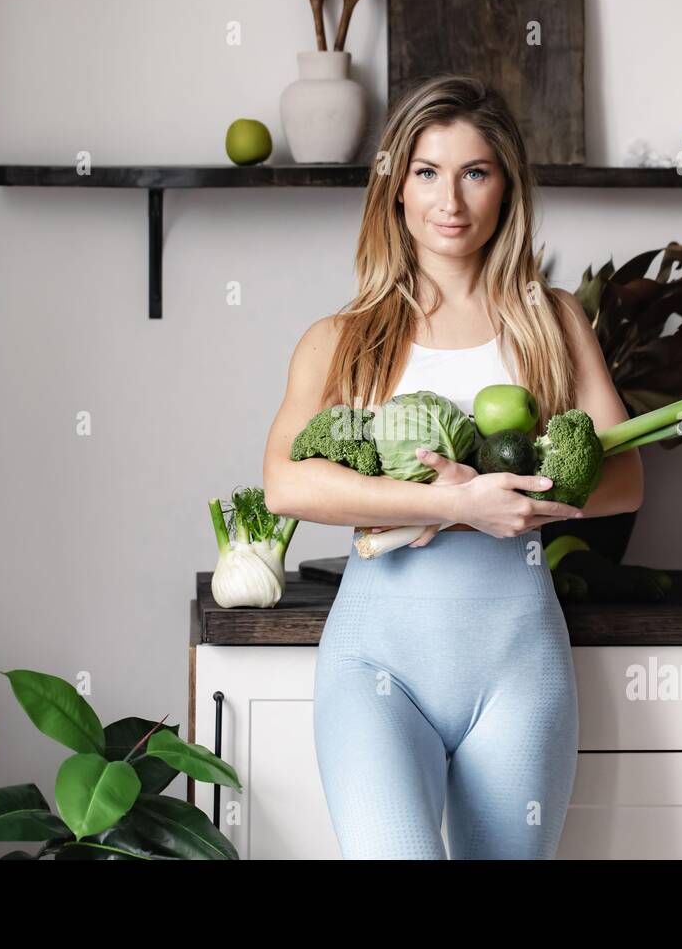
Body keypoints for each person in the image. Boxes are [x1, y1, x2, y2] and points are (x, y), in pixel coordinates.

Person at [262, 74, 643, 859]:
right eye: (427, 172)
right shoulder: (344, 337)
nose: (451, 200)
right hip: (376, 667)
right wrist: (453, 506)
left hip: (518, 669)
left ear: (507, 187)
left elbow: (624, 479)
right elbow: (286, 482)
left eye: (476, 172)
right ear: (395, 186)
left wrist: (525, 500)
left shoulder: (552, 320)